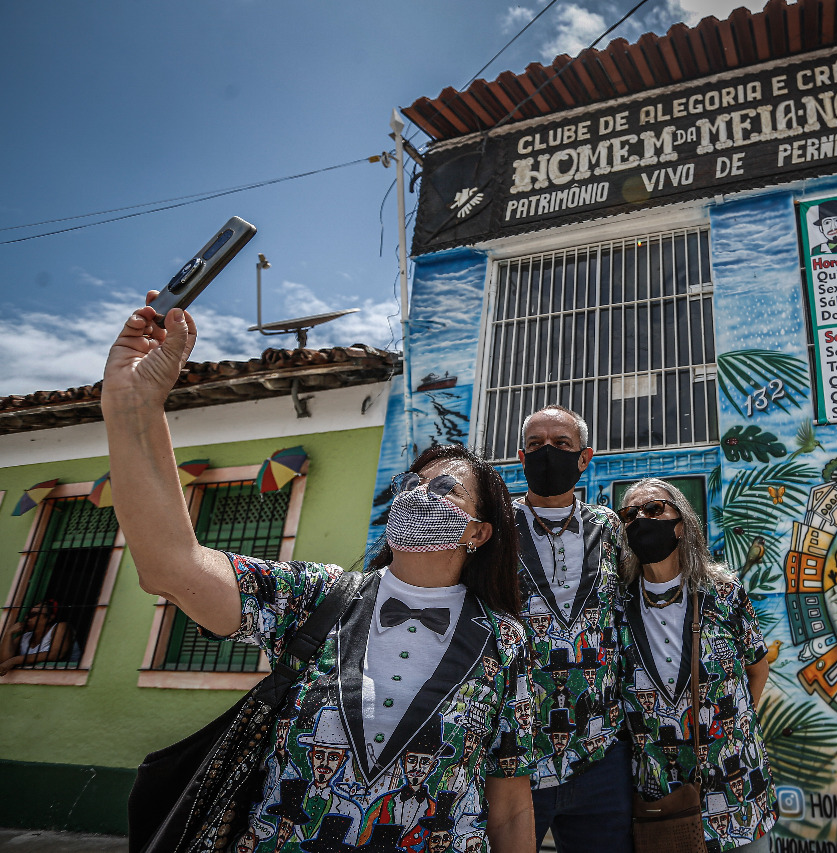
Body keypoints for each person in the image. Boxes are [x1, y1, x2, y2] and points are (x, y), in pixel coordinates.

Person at [102, 298, 536, 853]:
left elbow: (511, 807)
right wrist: (133, 406)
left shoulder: (507, 642)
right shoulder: (316, 597)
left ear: (479, 533)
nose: (416, 495)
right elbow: (169, 566)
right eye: (409, 484)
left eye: (443, 489)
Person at [615, 478, 777, 852]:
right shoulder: (616, 605)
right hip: (663, 801)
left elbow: (757, 668)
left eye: (655, 509)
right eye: (630, 514)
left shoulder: (724, 593)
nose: (642, 518)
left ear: (681, 522)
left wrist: (729, 731)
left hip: (737, 792)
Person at [511, 405, 631, 851]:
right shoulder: (496, 528)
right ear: (521, 459)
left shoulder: (609, 527)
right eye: (536, 445)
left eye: (561, 444)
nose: (548, 453)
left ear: (585, 457)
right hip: (515, 749)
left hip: (599, 750)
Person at [0, 598, 81, 675]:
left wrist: (15, 660)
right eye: (28, 614)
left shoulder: (60, 627)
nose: (27, 618)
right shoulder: (25, 637)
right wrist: (8, 634)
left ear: (49, 618)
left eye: (33, 614)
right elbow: (4, 661)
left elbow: (55, 654)